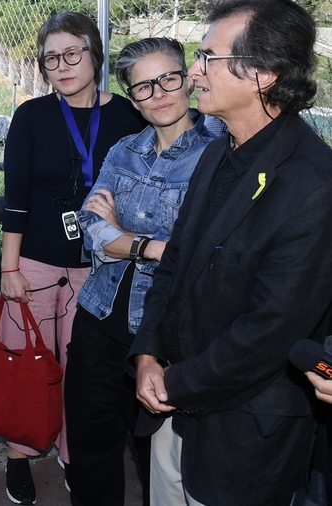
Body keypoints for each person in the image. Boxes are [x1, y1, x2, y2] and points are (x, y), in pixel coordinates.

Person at [131, 0, 332, 506]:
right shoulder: (215, 153)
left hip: (242, 440)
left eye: (206, 58)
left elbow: (270, 330)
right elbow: (173, 265)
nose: (193, 72)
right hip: (170, 416)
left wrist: (175, 384)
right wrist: (149, 355)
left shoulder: (313, 184)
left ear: (263, 75)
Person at [66, 38, 224, 506]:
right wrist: (152, 246)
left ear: (188, 78)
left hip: (160, 333)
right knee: (91, 454)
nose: (159, 93)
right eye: (143, 87)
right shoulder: (123, 150)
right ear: (131, 97)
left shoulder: (217, 155)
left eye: (168, 79)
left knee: (155, 459)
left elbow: (199, 251)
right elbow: (91, 225)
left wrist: (123, 236)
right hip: (97, 317)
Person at [0, 12, 146, 504]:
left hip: (101, 269)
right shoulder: (32, 116)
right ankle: (18, 455)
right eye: (50, 58)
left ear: (95, 53)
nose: (61, 66)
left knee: (82, 373)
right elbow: (14, 199)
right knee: (26, 367)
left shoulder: (128, 114)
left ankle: (72, 455)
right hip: (36, 264)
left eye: (72, 53)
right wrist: (9, 268)